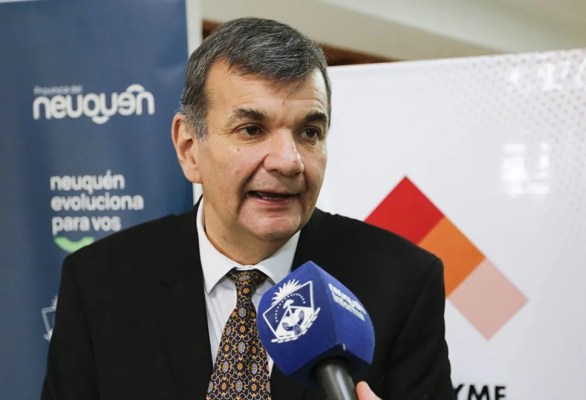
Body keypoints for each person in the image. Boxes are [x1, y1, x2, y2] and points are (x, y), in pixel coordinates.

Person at [42, 17, 454, 400]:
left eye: (310, 132)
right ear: (189, 148)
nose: (289, 161)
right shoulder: (99, 280)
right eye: (252, 130)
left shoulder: (402, 282)